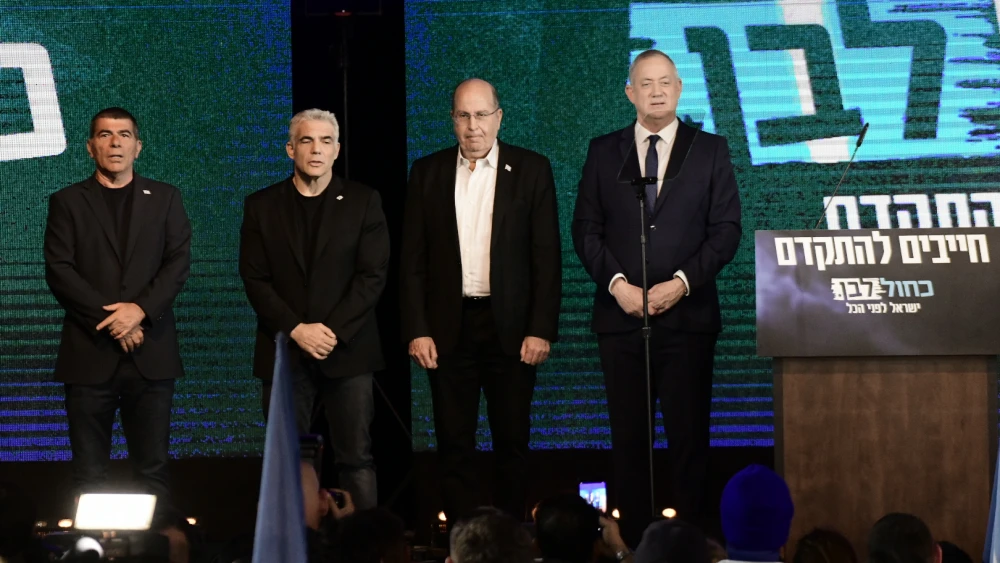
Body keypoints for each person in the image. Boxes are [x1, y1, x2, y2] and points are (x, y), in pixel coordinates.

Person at [571, 49, 742, 541]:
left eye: (665, 81)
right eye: (645, 83)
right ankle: (636, 543)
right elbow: (586, 229)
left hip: (688, 321)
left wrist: (681, 283)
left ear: (680, 87)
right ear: (630, 93)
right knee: (630, 442)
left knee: (689, 440)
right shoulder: (605, 151)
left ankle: (690, 542)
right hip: (621, 319)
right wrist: (619, 285)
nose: (657, 91)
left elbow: (726, 230)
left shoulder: (710, 149)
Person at [400, 78, 561, 521]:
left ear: (499, 117)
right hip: (449, 330)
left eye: (482, 115)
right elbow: (411, 261)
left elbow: (546, 257)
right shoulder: (426, 172)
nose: (474, 126)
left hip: (511, 329)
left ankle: (510, 541)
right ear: (452, 119)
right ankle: (462, 541)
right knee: (454, 445)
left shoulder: (532, 169)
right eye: (464, 116)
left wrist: (540, 328)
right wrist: (417, 328)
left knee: (512, 442)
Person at [239, 108, 389, 510]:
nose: (316, 149)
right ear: (291, 149)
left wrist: (331, 331)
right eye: (307, 140)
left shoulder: (363, 201)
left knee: (356, 458)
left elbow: (372, 276)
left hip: (348, 350)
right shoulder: (261, 206)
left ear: (337, 150)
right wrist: (297, 329)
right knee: (288, 460)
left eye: (325, 141)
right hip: (285, 351)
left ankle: (362, 548)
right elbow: (255, 280)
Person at [44, 107, 191, 503]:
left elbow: (177, 262)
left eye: (124, 135)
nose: (115, 143)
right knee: (89, 473)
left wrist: (139, 311)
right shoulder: (67, 202)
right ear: (90, 147)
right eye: (105, 135)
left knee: (153, 468)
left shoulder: (165, 197)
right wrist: (116, 320)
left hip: (152, 353)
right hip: (90, 354)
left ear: (137, 146)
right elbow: (60, 270)